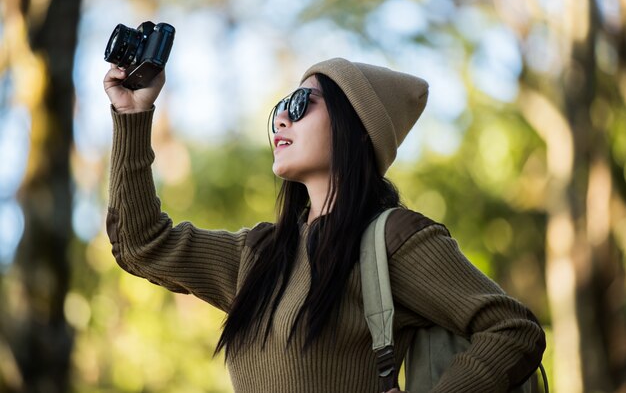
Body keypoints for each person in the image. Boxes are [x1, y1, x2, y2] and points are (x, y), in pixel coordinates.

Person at [103, 57, 546, 393]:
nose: (281, 118)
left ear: (357, 127)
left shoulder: (393, 241)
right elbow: (141, 243)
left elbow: (512, 330)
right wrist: (131, 114)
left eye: (300, 104)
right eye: (280, 107)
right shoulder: (259, 255)